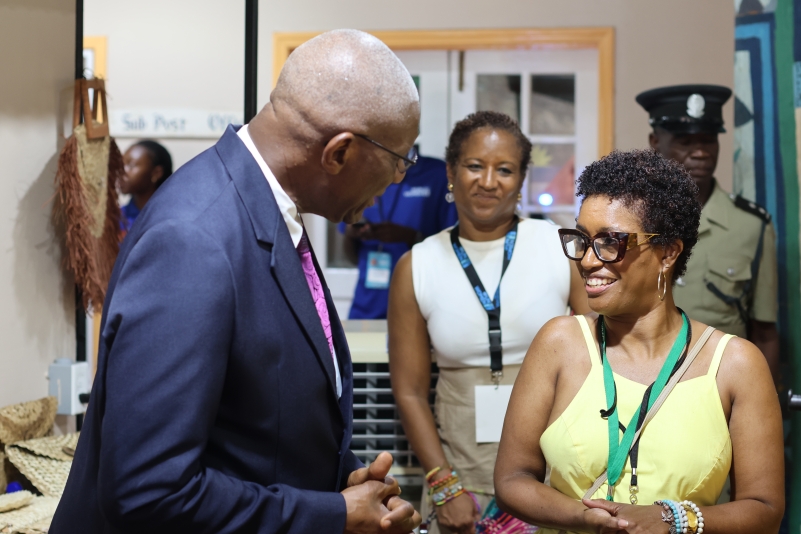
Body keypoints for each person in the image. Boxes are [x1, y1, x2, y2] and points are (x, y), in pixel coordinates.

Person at [51, 29, 422, 534]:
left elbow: (255, 424)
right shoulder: (193, 240)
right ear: (338, 152)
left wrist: (348, 486)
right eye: (399, 160)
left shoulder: (269, 213)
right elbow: (148, 491)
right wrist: (332, 514)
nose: (398, 179)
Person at [494, 149, 784, 533]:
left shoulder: (734, 364)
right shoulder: (560, 343)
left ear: (667, 252)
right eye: (581, 239)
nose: (587, 260)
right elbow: (512, 478)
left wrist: (674, 519)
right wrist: (587, 518)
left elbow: (764, 509)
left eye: (610, 242)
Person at [388, 111, 589, 534]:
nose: (488, 181)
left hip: (553, 478)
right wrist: (444, 486)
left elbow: (603, 355)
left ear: (521, 179)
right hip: (460, 477)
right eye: (475, 166)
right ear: (450, 172)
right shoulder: (417, 266)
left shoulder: (556, 248)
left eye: (505, 169)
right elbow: (408, 391)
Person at [636, 84, 780, 385]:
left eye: (708, 140)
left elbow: (764, 332)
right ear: (654, 142)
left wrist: (764, 405)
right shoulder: (630, 220)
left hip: (721, 384)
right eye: (685, 141)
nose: (700, 152)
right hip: (637, 382)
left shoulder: (751, 225)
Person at [341, 154, 457, 319]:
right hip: (366, 308)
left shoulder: (437, 174)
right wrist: (351, 234)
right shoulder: (360, 172)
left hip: (421, 309)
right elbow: (351, 257)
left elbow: (452, 250)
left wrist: (412, 237)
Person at [119, 140, 173, 231]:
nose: (122, 172)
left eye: (131, 165)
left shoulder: (171, 217)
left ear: (156, 173)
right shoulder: (117, 218)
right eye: (122, 165)